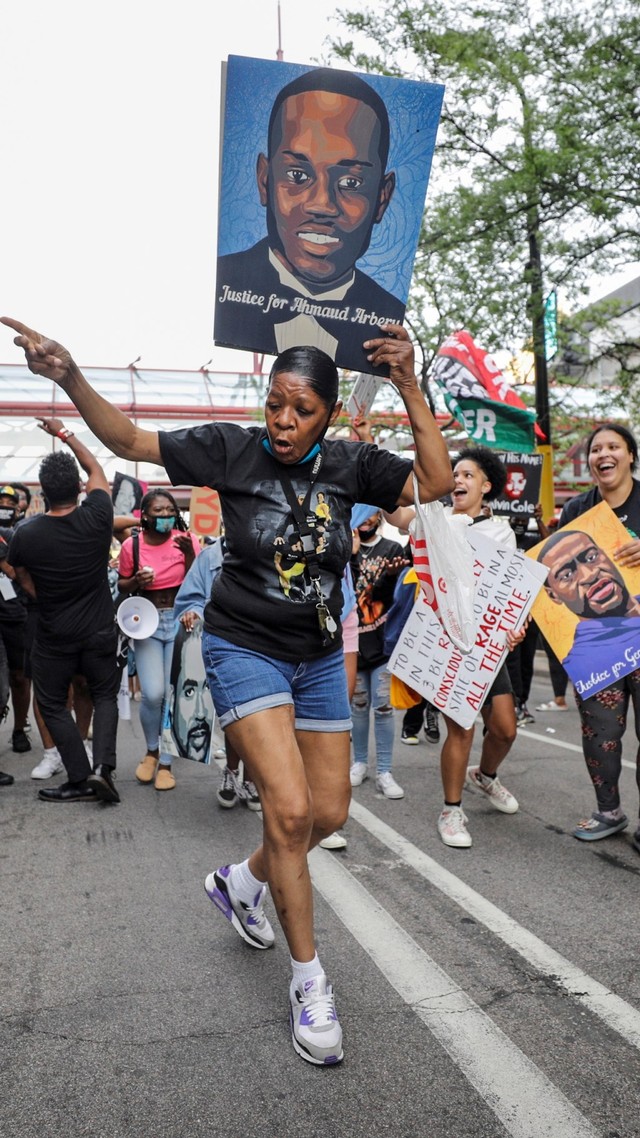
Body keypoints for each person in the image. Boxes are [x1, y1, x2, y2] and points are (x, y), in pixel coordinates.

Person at [3, 314, 452, 1066]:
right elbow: (128, 444)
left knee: (331, 811)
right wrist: (70, 376)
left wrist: (408, 382)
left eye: (301, 409)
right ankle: (310, 983)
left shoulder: (353, 465)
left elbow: (436, 483)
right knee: (292, 809)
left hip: (314, 660)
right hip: (243, 649)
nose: (282, 420)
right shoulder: (231, 449)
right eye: (275, 402)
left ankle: (242, 882)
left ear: (329, 414)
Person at [215, 68, 404, 375]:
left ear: (382, 198)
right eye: (298, 176)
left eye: (351, 183)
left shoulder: (384, 325)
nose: (322, 205)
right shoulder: (228, 285)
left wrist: (407, 381)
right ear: (265, 180)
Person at [6, 417, 120, 804]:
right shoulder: (97, 515)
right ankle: (103, 769)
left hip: (54, 633)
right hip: (100, 629)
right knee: (104, 695)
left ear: (43, 494)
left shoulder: (28, 533)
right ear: (77, 488)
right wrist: (64, 434)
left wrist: (45, 593)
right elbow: (96, 470)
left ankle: (79, 776)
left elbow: (21, 577)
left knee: (52, 703)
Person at [538, 424, 640, 844]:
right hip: (597, 649)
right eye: (596, 449)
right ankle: (608, 811)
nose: (604, 454)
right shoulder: (577, 508)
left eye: (613, 446)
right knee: (601, 734)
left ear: (631, 455)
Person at [436, 446, 524, 849]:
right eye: (455, 474)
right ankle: (451, 810)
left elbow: (515, 587)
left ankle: (484, 776)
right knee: (461, 726)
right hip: (449, 640)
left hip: (488, 643)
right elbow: (397, 514)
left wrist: (517, 625)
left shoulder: (501, 532)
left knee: (505, 728)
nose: (459, 480)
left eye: (468, 475)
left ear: (486, 487)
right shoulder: (435, 521)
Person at [118, 489, 200, 791]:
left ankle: (165, 761)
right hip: (146, 622)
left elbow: (197, 582)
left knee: (170, 693)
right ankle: (151, 750)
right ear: (145, 515)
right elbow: (123, 585)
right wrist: (137, 581)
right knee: (152, 693)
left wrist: (190, 555)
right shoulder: (132, 546)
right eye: (158, 511)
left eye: (169, 510)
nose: (165, 516)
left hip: (179, 621)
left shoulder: (186, 539)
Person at [172, 540, 260, 810]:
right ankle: (231, 773)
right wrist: (195, 613)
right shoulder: (210, 557)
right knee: (234, 713)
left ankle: (253, 778)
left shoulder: (270, 546)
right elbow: (191, 599)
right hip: (225, 643)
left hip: (264, 643)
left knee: (261, 715)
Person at [349, 509, 408, 798]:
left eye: (370, 512)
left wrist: (391, 576)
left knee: (383, 707)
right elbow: (341, 589)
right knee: (358, 707)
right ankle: (359, 763)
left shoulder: (392, 549)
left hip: (382, 645)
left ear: (379, 518)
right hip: (352, 644)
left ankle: (384, 770)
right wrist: (350, 554)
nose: (364, 518)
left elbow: (390, 598)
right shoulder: (345, 547)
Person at [506, 504, 549, 726]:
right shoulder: (503, 536)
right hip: (509, 610)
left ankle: (522, 702)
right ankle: (512, 703)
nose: (520, 521)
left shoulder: (533, 538)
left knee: (526, 660)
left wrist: (539, 520)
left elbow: (549, 547)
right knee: (511, 659)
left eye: (524, 518)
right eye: (517, 516)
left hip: (531, 610)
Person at [0, 483, 32, 754]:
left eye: (10, 504)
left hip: (15, 615)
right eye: (0, 503)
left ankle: (20, 728)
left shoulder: (22, 534)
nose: (5, 507)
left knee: (20, 677)